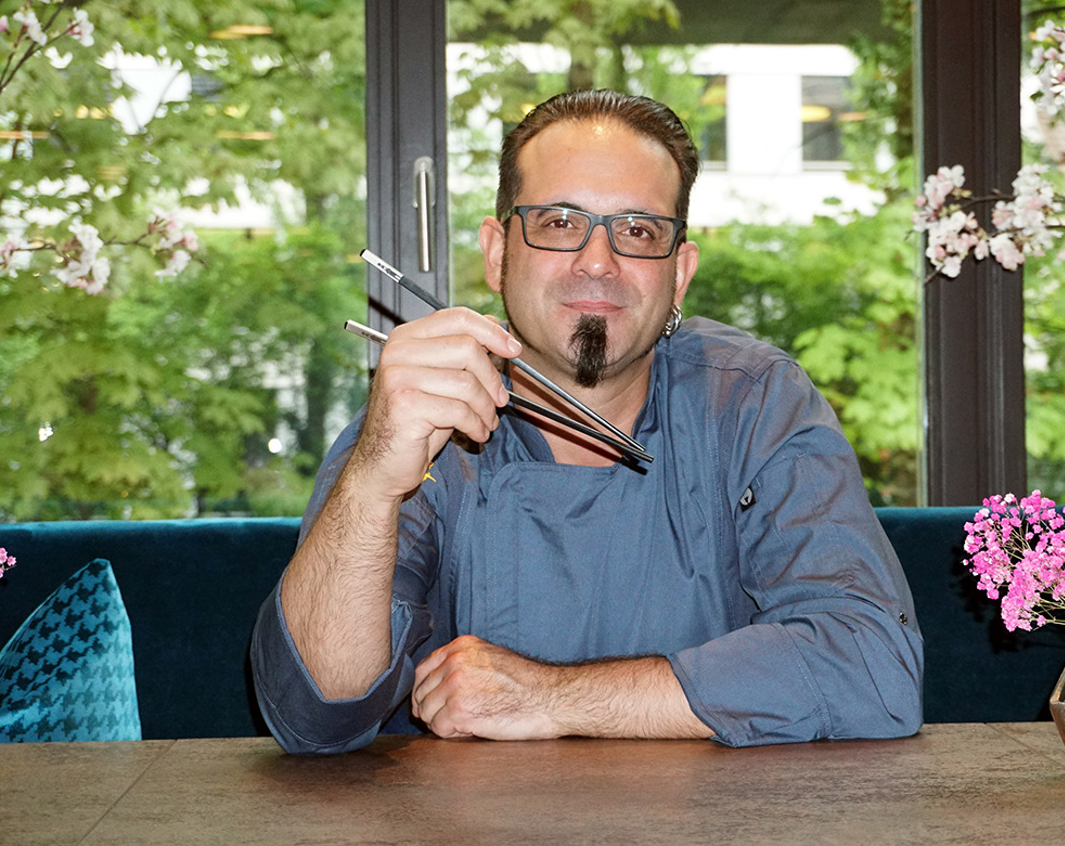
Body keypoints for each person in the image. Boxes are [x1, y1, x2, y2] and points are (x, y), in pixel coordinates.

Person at [251, 89, 923, 754]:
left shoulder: (754, 404)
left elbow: (873, 667)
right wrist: (372, 479)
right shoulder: (429, 408)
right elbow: (315, 715)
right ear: (496, 252)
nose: (597, 261)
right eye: (558, 221)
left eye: (638, 230)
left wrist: (550, 695)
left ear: (679, 273)